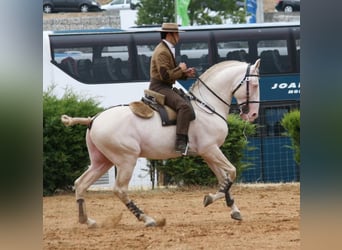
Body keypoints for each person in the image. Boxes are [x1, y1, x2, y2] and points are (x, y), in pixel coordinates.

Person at [149, 23, 196, 154]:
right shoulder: (162, 51)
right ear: (170, 35)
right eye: (177, 34)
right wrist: (180, 69)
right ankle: (180, 142)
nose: (179, 37)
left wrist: (184, 73)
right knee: (184, 107)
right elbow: (165, 76)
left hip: (165, 85)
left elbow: (169, 74)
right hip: (159, 87)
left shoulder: (166, 48)